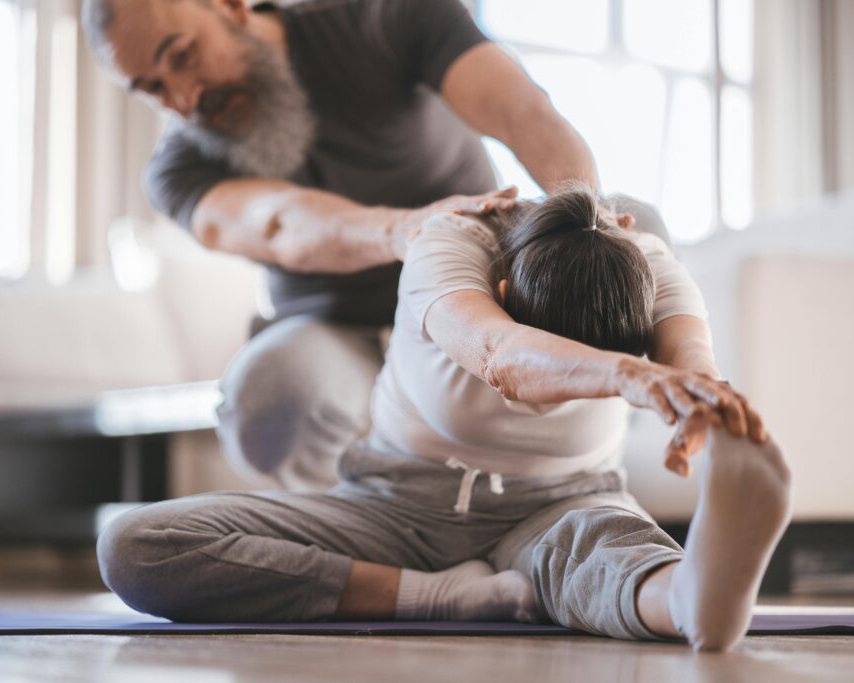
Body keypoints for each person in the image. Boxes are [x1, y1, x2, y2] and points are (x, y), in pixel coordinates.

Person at [96, 187, 793, 651]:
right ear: (502, 290)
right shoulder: (451, 247)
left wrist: (705, 404)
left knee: (610, 557)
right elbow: (500, 352)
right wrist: (623, 374)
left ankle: (692, 598)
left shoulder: (645, 265)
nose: (559, 403)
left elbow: (694, 360)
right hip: (393, 503)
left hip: (562, 502)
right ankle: (441, 597)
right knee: (136, 545)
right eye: (563, 379)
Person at [81, 0, 600, 489]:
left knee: (631, 223)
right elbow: (278, 225)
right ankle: (382, 553)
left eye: (183, 55)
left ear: (231, 6)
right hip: (335, 332)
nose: (186, 100)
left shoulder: (384, 16)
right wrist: (405, 231)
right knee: (267, 400)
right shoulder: (177, 168)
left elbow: (522, 113)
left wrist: (584, 223)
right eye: (152, 87)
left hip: (480, 295)